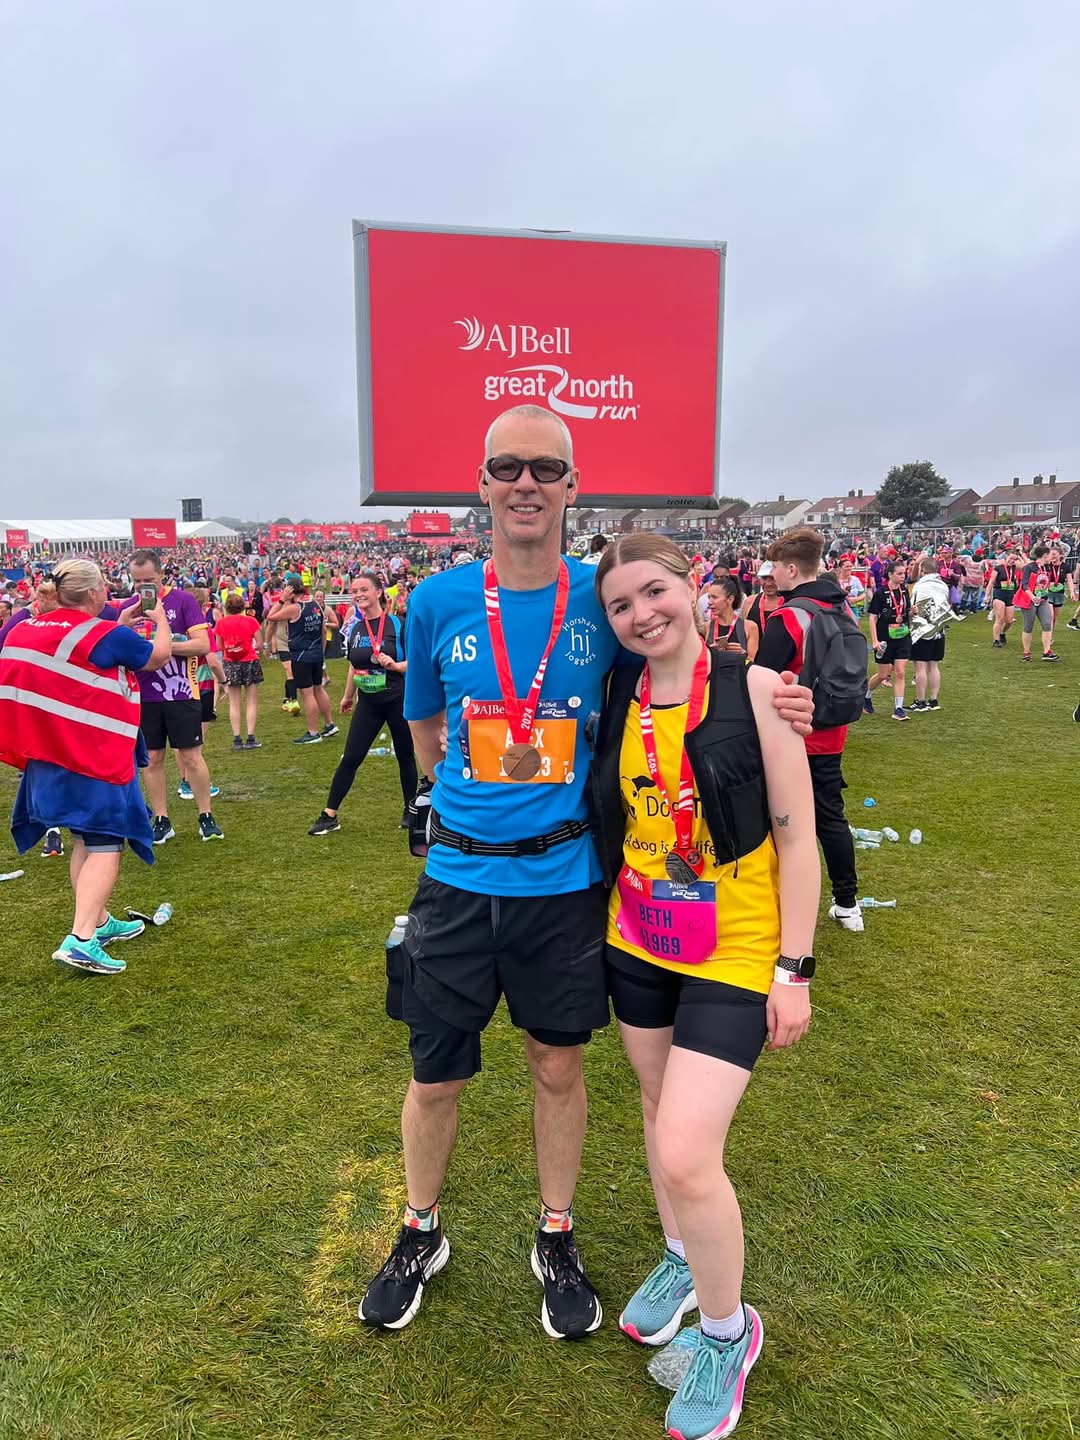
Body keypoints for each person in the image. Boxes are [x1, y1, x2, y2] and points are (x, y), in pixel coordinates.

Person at [356, 404, 815, 1343]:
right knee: (434, 1076)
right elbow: (429, 727)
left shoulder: (600, 604)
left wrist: (776, 693)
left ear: (572, 486)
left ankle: (555, 1232)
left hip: (566, 885)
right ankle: (420, 1229)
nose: (526, 483)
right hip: (458, 879)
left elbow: (679, 660)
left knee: (557, 1066)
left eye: (545, 468)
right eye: (506, 466)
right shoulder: (439, 599)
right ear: (480, 483)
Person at [592, 534, 818, 1440]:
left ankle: (728, 1332)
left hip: (734, 945)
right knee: (654, 1105)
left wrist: (793, 969)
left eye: (655, 592)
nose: (643, 614)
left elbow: (797, 838)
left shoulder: (759, 689)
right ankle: (682, 1259)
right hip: (639, 934)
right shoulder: (618, 692)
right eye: (620, 605)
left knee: (688, 1150)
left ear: (693, 589)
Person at [0, 557, 172, 973]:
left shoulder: (23, 627)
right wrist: (160, 617)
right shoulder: (105, 634)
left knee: (83, 838)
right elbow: (157, 656)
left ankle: (97, 920)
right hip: (93, 755)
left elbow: (72, 648)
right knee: (105, 844)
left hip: (46, 752)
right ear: (95, 592)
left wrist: (118, 618)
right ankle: (80, 939)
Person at [755, 526, 863, 932]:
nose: (771, 577)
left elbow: (762, 677)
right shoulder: (843, 607)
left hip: (793, 732)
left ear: (790, 569)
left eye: (775, 569)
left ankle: (774, 903)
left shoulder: (790, 615)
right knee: (831, 818)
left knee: (780, 823)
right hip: (833, 728)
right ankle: (848, 903)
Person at [308, 572, 417, 835]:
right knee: (351, 757)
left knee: (405, 756)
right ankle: (329, 815)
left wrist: (396, 666)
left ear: (378, 592)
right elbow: (353, 666)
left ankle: (410, 809)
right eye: (354, 590)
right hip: (368, 700)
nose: (358, 594)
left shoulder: (398, 624)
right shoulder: (356, 628)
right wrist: (347, 696)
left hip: (398, 698)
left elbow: (417, 660)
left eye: (363, 589)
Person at [128, 550, 224, 843]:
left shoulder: (181, 601)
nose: (143, 587)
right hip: (144, 695)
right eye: (137, 581)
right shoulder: (130, 608)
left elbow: (202, 644)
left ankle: (206, 815)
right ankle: (161, 819)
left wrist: (163, 646)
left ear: (161, 575)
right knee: (153, 758)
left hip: (182, 691)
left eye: (149, 580)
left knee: (191, 756)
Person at [265, 575, 338, 745]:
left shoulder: (294, 608)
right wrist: (321, 651)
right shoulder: (316, 605)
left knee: (307, 693)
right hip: (316, 654)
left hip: (300, 656)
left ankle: (313, 732)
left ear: (290, 591)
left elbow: (271, 617)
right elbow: (322, 629)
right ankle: (329, 724)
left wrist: (282, 601)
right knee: (318, 689)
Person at [216, 593, 265, 748]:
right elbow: (260, 643)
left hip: (230, 662)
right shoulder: (251, 621)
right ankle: (250, 737)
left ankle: (237, 738)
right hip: (249, 660)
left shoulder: (221, 623)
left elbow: (218, 647)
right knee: (251, 701)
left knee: (234, 703)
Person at [865, 558, 912, 720]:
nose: (902, 577)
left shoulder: (905, 590)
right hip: (885, 637)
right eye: (899, 574)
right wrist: (875, 641)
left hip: (903, 635)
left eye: (904, 574)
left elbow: (905, 613)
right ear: (890, 575)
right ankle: (867, 696)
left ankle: (898, 708)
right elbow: (872, 618)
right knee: (883, 675)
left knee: (900, 672)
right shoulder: (880, 593)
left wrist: (913, 611)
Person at [1019, 545, 1059, 663]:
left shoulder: (1047, 567)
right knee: (1028, 626)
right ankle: (1026, 652)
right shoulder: (1029, 567)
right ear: (1044, 556)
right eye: (1049, 555)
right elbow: (1024, 584)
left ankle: (1047, 651)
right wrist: (1032, 597)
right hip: (1030, 600)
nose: (1050, 557)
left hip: (1043, 599)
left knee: (1047, 624)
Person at [741, 562, 782, 662]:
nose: (768, 583)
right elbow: (743, 633)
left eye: (772, 578)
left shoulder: (790, 603)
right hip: (754, 662)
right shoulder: (749, 602)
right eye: (764, 578)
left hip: (781, 662)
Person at [984, 551, 1022, 648]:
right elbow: (991, 582)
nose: (1012, 561)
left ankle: (1002, 633)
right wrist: (987, 595)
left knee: (1009, 621)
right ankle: (996, 640)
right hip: (999, 594)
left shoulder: (1014, 568)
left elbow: (1026, 565)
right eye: (1011, 558)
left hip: (1010, 596)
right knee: (1000, 618)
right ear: (1006, 557)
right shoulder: (999, 568)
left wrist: (1021, 554)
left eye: (1015, 559)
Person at [703, 574, 746, 654]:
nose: (709, 602)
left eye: (715, 597)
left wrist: (742, 654)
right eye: (709, 597)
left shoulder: (749, 627)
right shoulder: (706, 627)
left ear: (730, 599)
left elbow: (752, 660)